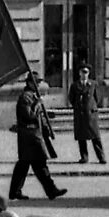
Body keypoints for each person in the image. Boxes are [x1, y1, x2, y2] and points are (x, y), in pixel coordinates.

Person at [9, 73, 67, 201]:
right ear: (30, 83)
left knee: (31, 164)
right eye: (36, 82)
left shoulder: (33, 97)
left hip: (34, 135)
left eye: (39, 82)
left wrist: (47, 129)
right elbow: (29, 116)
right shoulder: (25, 97)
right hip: (29, 136)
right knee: (34, 164)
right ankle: (50, 190)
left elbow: (39, 117)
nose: (38, 85)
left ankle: (17, 191)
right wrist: (37, 104)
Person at [67, 65, 106, 164]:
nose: (84, 74)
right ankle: (84, 157)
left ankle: (101, 157)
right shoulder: (75, 85)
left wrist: (91, 107)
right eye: (83, 72)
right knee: (81, 137)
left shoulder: (93, 84)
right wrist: (78, 106)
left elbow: (97, 97)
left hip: (91, 114)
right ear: (79, 73)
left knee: (95, 136)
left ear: (88, 73)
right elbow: (71, 98)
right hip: (80, 114)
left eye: (86, 72)